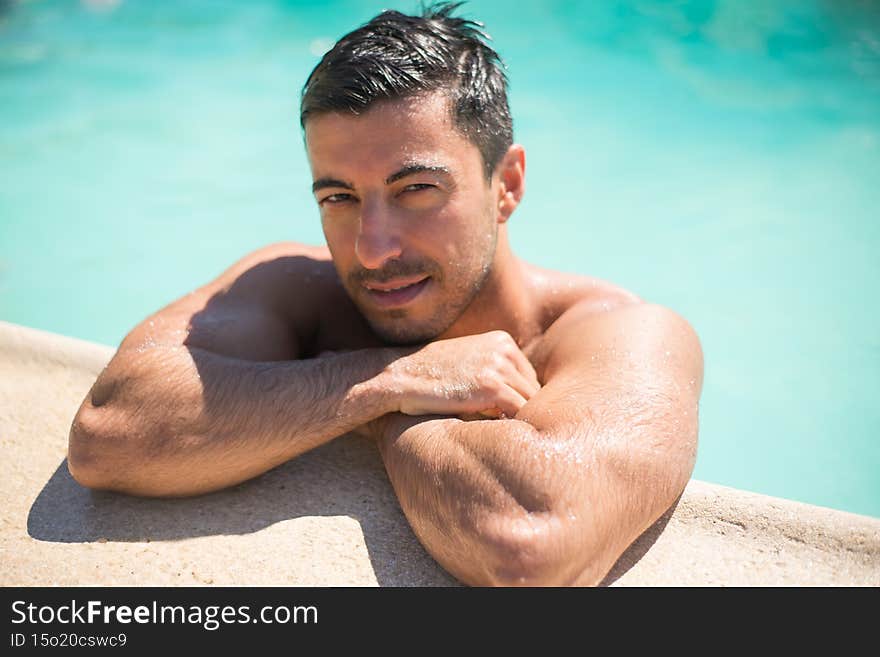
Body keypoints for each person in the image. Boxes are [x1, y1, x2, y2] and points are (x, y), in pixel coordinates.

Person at [67, 2, 703, 586]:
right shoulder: (298, 284)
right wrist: (390, 381)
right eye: (339, 197)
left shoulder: (622, 333)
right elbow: (107, 436)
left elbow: (526, 545)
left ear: (506, 183)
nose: (372, 250)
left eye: (417, 189)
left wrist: (379, 407)